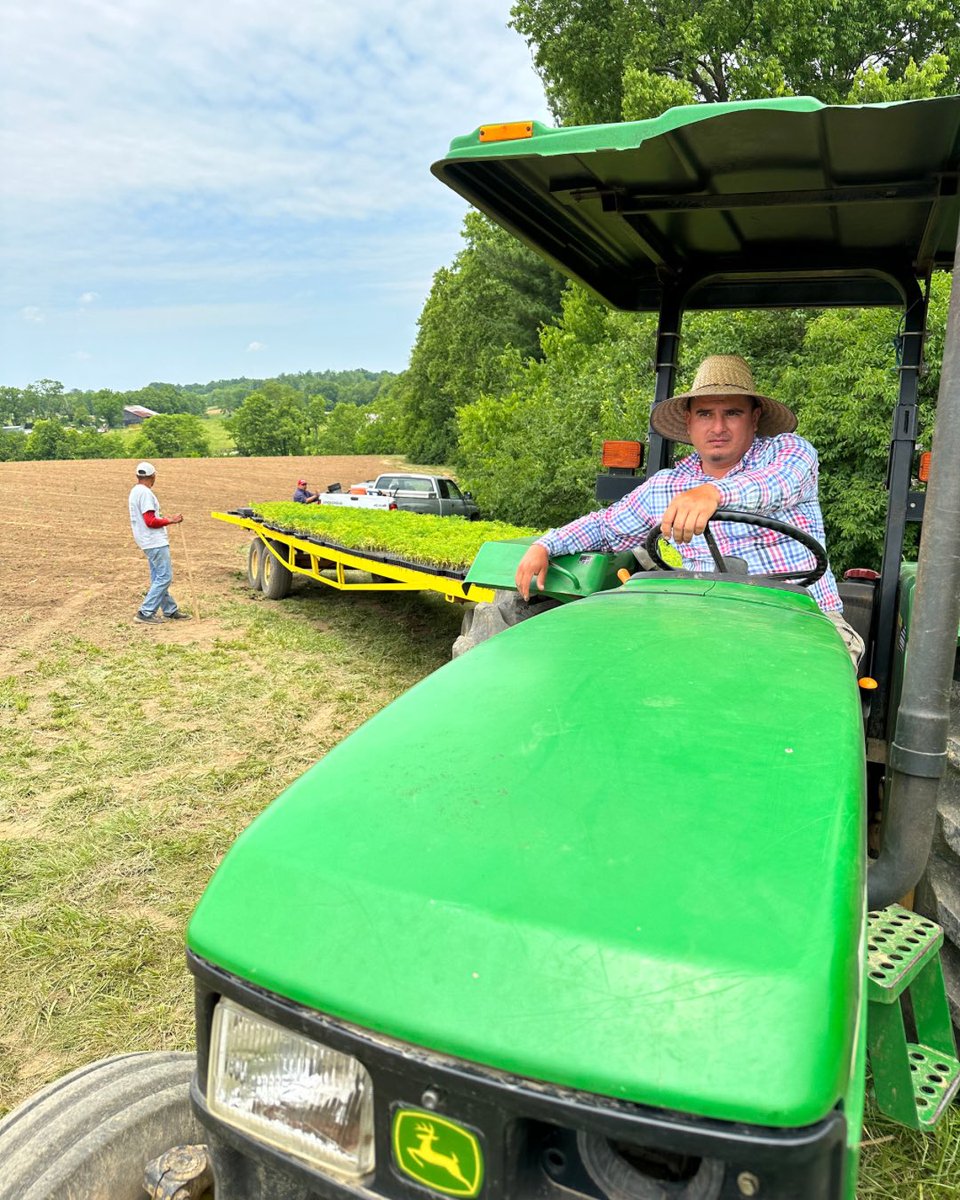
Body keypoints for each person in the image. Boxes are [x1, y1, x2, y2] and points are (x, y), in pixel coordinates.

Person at [515, 355, 864, 665]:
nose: (718, 427)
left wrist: (712, 493)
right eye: (705, 414)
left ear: (754, 418)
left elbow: (777, 483)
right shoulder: (668, 485)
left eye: (732, 413)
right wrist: (547, 545)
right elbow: (606, 528)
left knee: (814, 685)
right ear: (689, 421)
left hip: (801, 618)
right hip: (705, 620)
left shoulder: (789, 452)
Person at [128, 461, 190, 625]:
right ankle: (145, 612)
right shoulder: (146, 494)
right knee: (165, 577)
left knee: (158, 577)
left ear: (138, 476)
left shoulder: (135, 491)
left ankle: (170, 610)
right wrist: (171, 520)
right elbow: (150, 521)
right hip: (154, 540)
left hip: (145, 540)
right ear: (153, 476)